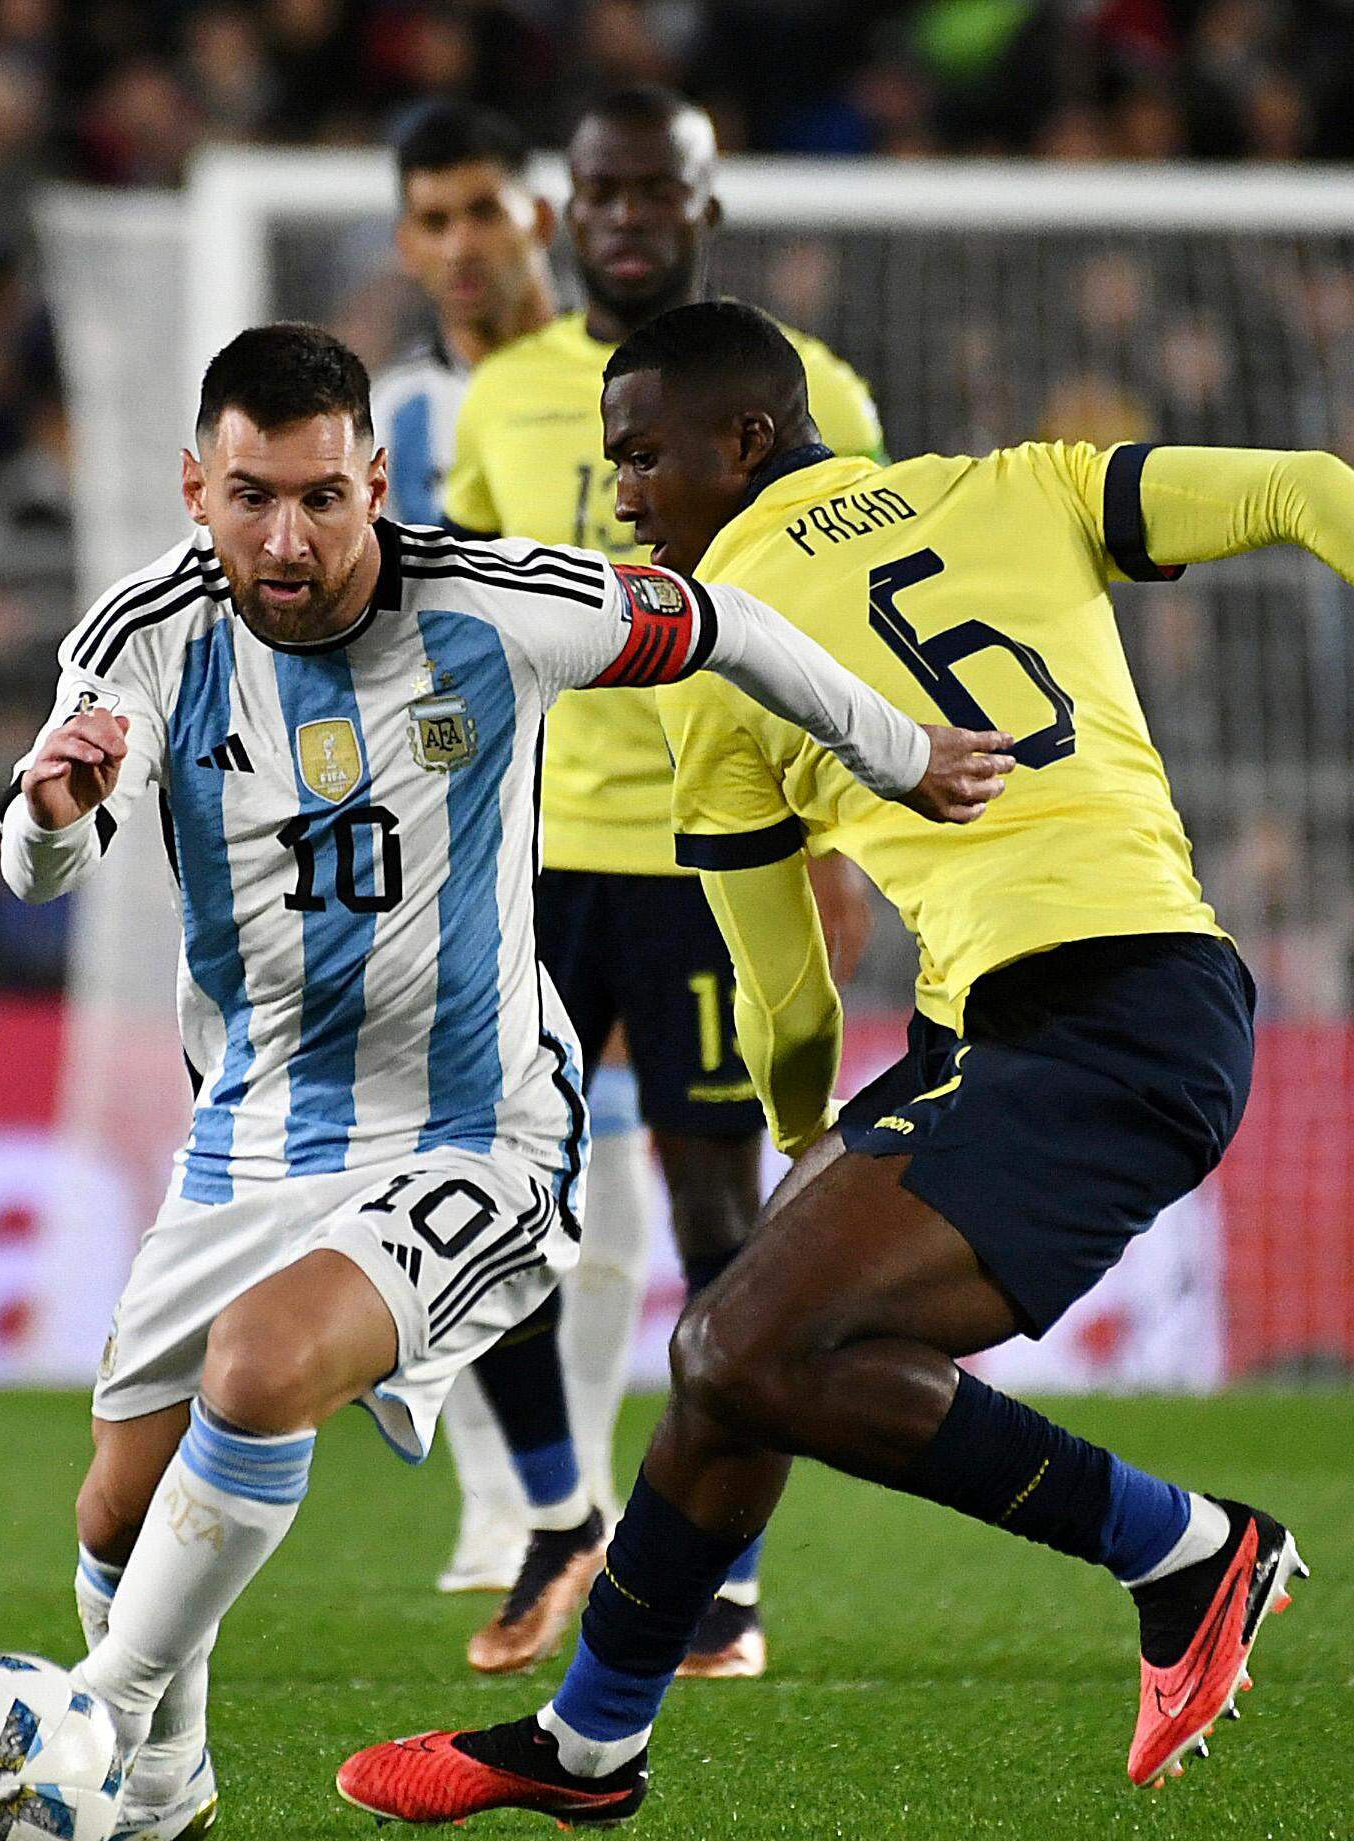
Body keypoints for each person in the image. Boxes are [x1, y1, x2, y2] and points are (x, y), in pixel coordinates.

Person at [336, 300, 1354, 1824]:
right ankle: (588, 1745)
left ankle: (1184, 1551)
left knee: (738, 1348)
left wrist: (800, 1125)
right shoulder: (1020, 484)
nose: (624, 493)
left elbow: (779, 982)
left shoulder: (721, 654)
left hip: (1098, 1031)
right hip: (1101, 1007)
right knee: (734, 1367)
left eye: (644, 455)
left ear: (751, 440)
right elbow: (1308, 485)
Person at [5, 321, 1008, 1841]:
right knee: (114, 1519)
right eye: (254, 497)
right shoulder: (140, 633)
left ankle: (95, 1718)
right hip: (253, 1125)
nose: (290, 539)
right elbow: (53, 837)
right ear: (196, 488)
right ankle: (160, 1785)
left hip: (477, 1123)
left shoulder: (497, 602)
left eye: (325, 498)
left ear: (378, 481)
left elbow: (725, 623)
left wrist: (894, 753)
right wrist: (52, 817)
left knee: (264, 1370)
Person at [434, 84, 889, 1680]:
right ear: (568, 209)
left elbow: (843, 634)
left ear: (706, 204)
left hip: (716, 852)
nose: (627, 216)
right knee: (474, 1199)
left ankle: (726, 1582)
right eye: (602, 191)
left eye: (657, 191)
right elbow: (469, 620)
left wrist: (832, 847)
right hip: (533, 860)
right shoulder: (499, 399)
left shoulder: (810, 386)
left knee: (722, 1221)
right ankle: (561, 1521)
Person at [370, 99, 666, 1605]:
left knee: (607, 1155)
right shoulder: (394, 425)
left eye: (481, 209)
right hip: (464, 834)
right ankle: (510, 1502)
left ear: (538, 218)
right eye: (431, 220)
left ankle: (581, 1489)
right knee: (475, 1163)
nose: (460, 245)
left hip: (639, 827)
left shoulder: (643, 382)